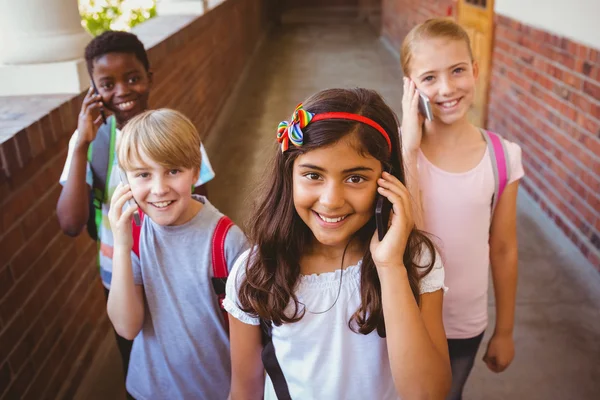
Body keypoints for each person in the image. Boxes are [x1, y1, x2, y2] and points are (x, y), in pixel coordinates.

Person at [224, 88, 452, 399]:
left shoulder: (415, 260)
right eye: (313, 175)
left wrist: (390, 266)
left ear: (387, 183)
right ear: (289, 175)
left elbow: (428, 394)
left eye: (355, 178)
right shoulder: (256, 271)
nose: (331, 201)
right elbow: (244, 389)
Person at [56, 30, 215, 376]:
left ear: (149, 78)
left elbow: (201, 206)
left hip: (179, 272)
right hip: (120, 275)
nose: (123, 91)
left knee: (188, 356)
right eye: (107, 83)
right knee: (136, 360)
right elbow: (70, 222)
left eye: (132, 78)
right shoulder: (91, 144)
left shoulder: (177, 137)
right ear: (93, 91)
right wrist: (80, 144)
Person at [400, 18, 524, 400]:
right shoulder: (397, 154)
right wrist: (407, 148)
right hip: (402, 316)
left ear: (475, 69)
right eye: (429, 78)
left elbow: (503, 249)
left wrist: (504, 331)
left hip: (464, 323)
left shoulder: (503, 157)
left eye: (456, 71)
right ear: (410, 86)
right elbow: (406, 232)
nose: (447, 88)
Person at [107, 108, 248, 399]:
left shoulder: (226, 241)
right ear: (126, 180)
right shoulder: (132, 233)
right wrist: (120, 246)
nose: (159, 189)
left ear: (195, 172)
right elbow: (126, 327)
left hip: (215, 391)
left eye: (173, 171)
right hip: (148, 390)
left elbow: (250, 337)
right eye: (143, 174)